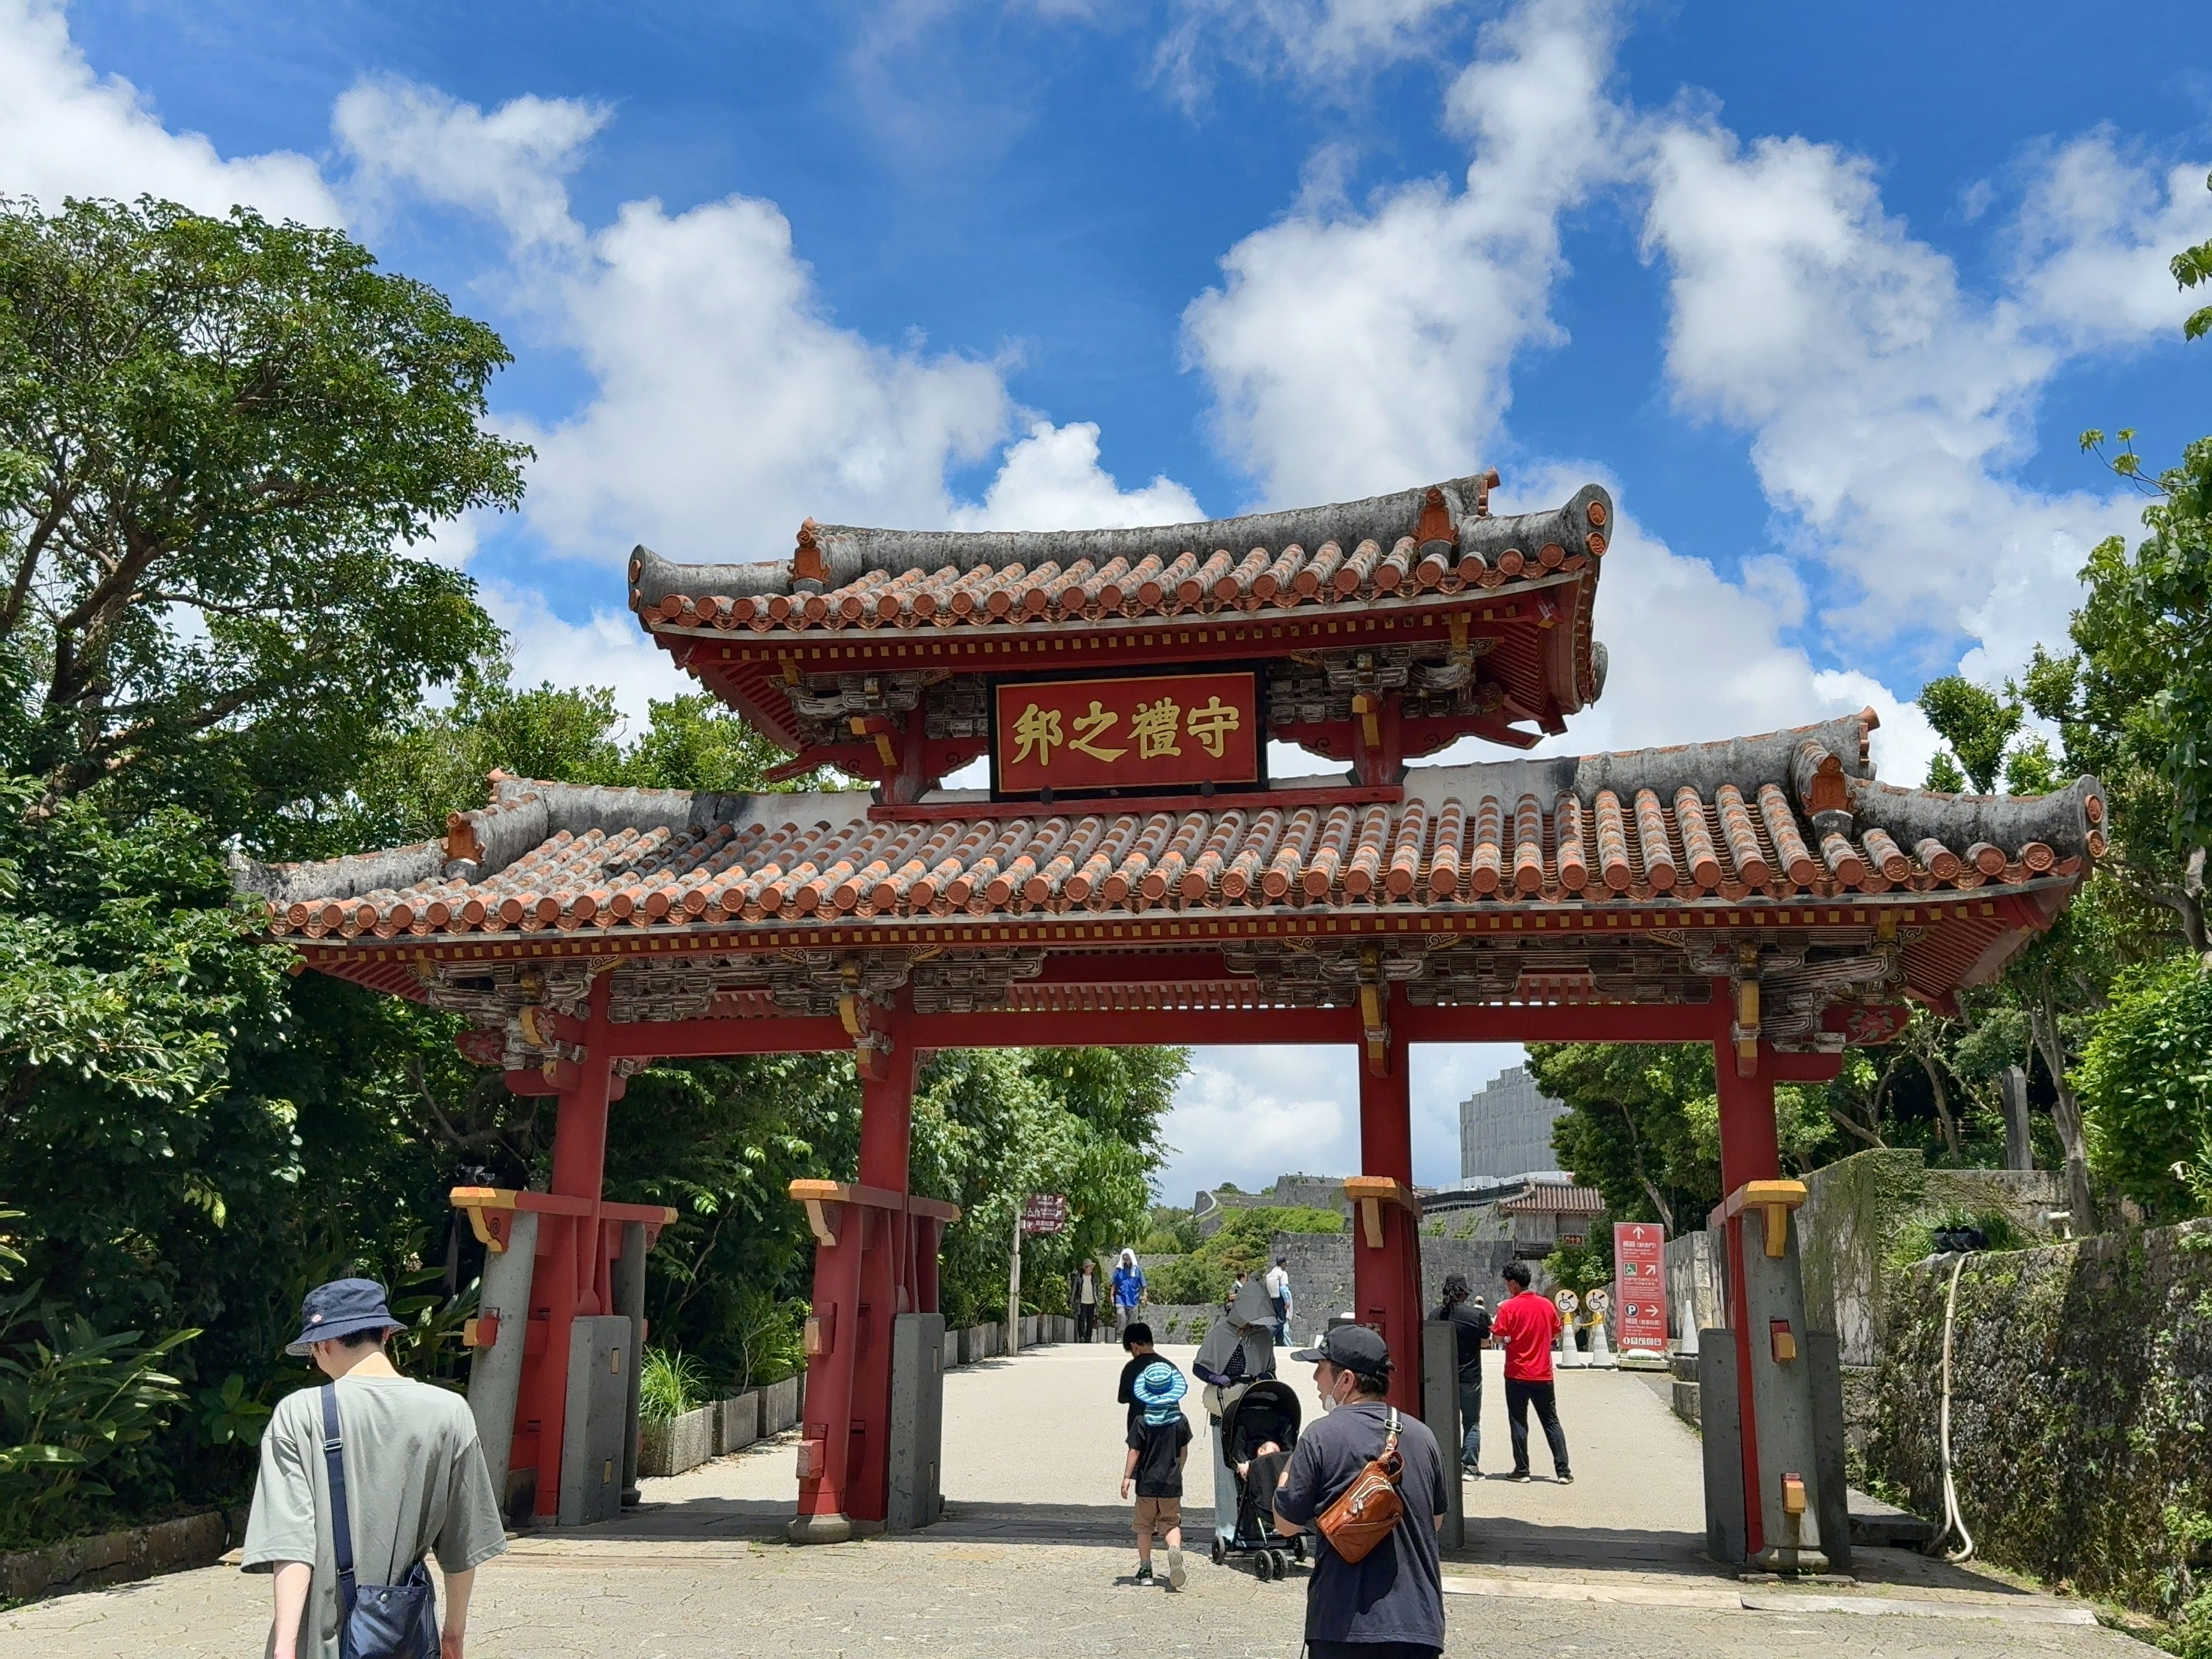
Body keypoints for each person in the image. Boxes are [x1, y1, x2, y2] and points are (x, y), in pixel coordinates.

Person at [242, 1277, 507, 1659]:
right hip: (405, 1636)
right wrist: (453, 1634)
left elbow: (291, 1544)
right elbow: (462, 1544)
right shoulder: (451, 1413)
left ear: (323, 1344)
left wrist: (285, 1647)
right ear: (385, 1333)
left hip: (320, 1640)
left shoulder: (299, 1415)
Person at [1273, 1325, 1449, 1659]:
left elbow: (1286, 1524)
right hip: (1417, 1622)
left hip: (1343, 1623)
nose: (1315, 1378)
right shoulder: (1423, 1436)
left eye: (1321, 1368)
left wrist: (1285, 1474)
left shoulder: (1320, 1436)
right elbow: (1435, 1522)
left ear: (1346, 1380)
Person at [1489, 1261, 1572, 1484]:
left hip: (1516, 1374)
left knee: (1519, 1421)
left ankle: (1522, 1470)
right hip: (1543, 1374)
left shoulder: (1507, 1308)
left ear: (1514, 1284)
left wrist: (1511, 1339)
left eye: (1508, 1283)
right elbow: (1556, 1334)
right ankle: (1563, 1471)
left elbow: (1497, 1338)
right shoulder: (1547, 1305)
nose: (1508, 1287)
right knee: (1551, 1421)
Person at [1121, 1356, 1192, 1589]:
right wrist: (1178, 1471)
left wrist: (1127, 1477)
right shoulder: (1181, 1422)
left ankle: (1146, 1570)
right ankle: (1174, 1549)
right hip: (1171, 1484)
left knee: (1144, 1527)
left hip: (1147, 1484)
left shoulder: (1141, 1422)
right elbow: (1183, 1452)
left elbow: (1134, 1451)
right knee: (1171, 1524)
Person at [1434, 1274, 1491, 1477]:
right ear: (1464, 1294)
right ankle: (1469, 1466)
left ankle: (1442, 1466)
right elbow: (1486, 1339)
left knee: (1442, 1424)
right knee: (1471, 1422)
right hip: (1470, 1377)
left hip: (1442, 1379)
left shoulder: (1435, 1316)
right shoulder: (1476, 1316)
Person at [1117, 1322, 1168, 1434]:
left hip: (1140, 1426)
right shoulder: (1170, 1366)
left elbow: (1123, 1398)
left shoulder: (1131, 1368)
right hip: (1169, 1426)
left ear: (1134, 1346)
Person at [1111, 1248, 1146, 1336]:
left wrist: (1145, 1295)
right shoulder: (1119, 1270)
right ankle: (1120, 1335)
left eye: (1128, 1256)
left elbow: (1143, 1284)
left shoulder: (1137, 1270)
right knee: (1121, 1315)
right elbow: (1114, 1284)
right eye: (1125, 1257)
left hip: (1133, 1299)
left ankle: (1130, 1337)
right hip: (1121, 1299)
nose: (1126, 1258)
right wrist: (1112, 1296)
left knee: (1132, 1323)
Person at [1263, 1255, 1294, 1344]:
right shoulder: (1282, 1274)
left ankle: (1280, 1341)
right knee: (1282, 1320)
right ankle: (1268, 1335)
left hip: (1272, 1299)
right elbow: (1283, 1289)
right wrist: (1287, 1301)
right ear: (1283, 1263)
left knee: (1276, 1319)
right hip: (1280, 1298)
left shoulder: (1270, 1275)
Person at [1072, 1257, 1100, 1342]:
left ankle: (1088, 1338)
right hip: (1082, 1302)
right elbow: (1074, 1290)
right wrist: (1072, 1301)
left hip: (1092, 1302)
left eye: (1092, 1267)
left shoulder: (1094, 1278)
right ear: (1085, 1268)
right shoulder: (1079, 1278)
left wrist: (1098, 1302)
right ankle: (1082, 1336)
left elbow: (1097, 1291)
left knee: (1090, 1321)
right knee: (1081, 1320)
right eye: (1089, 1267)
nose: (1091, 1269)